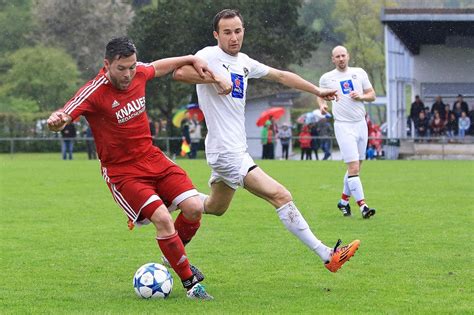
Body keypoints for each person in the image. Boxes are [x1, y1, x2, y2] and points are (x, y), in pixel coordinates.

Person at [173, 9, 360, 274]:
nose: (233, 37)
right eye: (227, 32)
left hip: (234, 149)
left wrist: (318, 90)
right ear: (216, 35)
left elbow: (282, 76)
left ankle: (175, 203)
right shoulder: (207, 56)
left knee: (215, 207)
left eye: (238, 31)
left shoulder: (245, 62)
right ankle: (328, 255)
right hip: (227, 152)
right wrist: (215, 77)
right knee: (281, 195)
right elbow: (179, 73)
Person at [46, 37, 216, 300]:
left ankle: (172, 256)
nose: (128, 74)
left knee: (194, 207)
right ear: (107, 65)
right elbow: (67, 113)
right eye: (121, 68)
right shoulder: (95, 91)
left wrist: (190, 58)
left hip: (152, 157)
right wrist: (58, 120)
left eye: (132, 67)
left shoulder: (138, 73)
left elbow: (158, 67)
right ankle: (191, 285)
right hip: (123, 171)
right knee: (162, 218)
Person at [318, 45, 376, 218]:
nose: (341, 59)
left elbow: (372, 94)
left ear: (348, 56)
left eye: (343, 55)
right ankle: (363, 207)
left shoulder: (359, 72)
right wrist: (322, 105)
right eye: (337, 56)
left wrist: (361, 97)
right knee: (353, 167)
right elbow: (320, 94)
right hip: (343, 125)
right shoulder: (327, 78)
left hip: (361, 124)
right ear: (333, 59)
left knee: (356, 167)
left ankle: (343, 202)